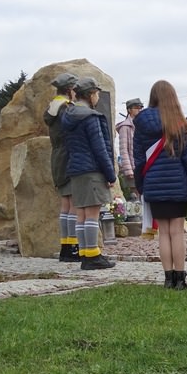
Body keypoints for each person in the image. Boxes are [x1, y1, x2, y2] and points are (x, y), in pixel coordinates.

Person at [133, 81, 187, 289]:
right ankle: (180, 279)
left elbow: (139, 160)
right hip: (178, 183)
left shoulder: (141, 123)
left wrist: (141, 187)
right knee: (177, 232)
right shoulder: (180, 123)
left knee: (163, 233)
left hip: (153, 184)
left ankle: (167, 278)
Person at [61, 77, 116, 270]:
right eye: (97, 93)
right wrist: (110, 174)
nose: (98, 96)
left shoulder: (68, 116)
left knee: (81, 214)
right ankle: (93, 255)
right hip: (92, 169)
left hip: (75, 169)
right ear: (91, 94)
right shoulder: (91, 117)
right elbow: (100, 148)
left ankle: (85, 253)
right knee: (92, 213)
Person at [44, 72, 80, 262]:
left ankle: (66, 246)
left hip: (58, 156)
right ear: (70, 90)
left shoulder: (53, 107)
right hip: (69, 156)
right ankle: (73, 247)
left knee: (66, 204)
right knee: (73, 203)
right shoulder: (66, 109)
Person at [116, 97, 144, 200]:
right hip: (132, 168)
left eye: (141, 107)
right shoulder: (125, 127)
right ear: (129, 110)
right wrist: (128, 170)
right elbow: (123, 150)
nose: (139, 109)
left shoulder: (142, 124)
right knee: (135, 198)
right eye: (136, 107)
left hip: (143, 167)